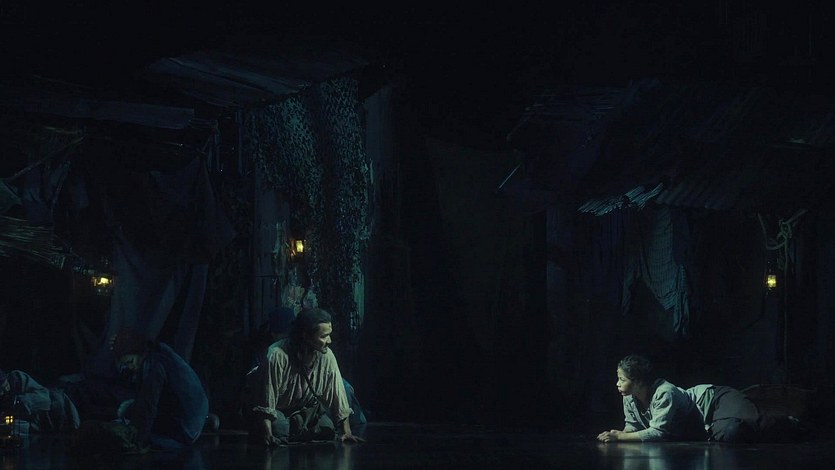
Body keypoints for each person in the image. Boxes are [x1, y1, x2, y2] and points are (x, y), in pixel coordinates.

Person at [249, 307, 365, 445]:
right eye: (323, 336)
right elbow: (266, 398)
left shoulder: (326, 355)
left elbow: (337, 392)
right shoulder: (277, 355)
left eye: (329, 335)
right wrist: (267, 433)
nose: (329, 341)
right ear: (306, 335)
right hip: (278, 409)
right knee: (279, 431)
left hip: (304, 409)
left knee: (327, 429)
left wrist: (347, 431)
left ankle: (296, 428)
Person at [109, 327, 209, 450]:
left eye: (131, 361)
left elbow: (148, 405)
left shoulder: (155, 366)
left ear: (140, 353)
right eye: (126, 364)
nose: (131, 367)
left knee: (125, 421)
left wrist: (136, 440)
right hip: (193, 420)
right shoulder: (160, 354)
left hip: (185, 430)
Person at [597, 354, 705, 442]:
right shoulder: (629, 395)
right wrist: (619, 435)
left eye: (622, 379)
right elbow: (633, 425)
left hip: (706, 405)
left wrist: (621, 437)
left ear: (638, 382)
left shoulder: (664, 393)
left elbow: (658, 432)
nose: (617, 384)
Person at [684, 383, 810, 443]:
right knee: (731, 431)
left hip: (715, 398)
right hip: (708, 423)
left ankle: (791, 424)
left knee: (741, 426)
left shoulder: (671, 393)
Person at [0, 368, 80, 433]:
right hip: (46, 430)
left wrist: (17, 402)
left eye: (5, 385)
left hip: (62, 411)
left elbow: (45, 399)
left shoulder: (17, 379)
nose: (5, 390)